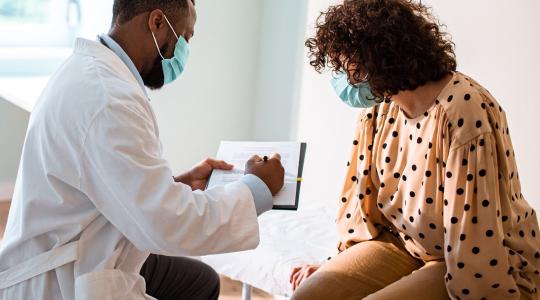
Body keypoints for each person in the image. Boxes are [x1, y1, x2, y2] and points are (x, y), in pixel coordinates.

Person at [0, 0, 285, 299]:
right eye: (185, 38)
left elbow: (107, 181)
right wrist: (256, 187)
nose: (184, 52)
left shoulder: (90, 71)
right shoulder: (108, 99)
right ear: (157, 23)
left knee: (200, 280)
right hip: (62, 277)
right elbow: (168, 225)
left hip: (85, 242)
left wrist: (176, 184)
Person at [290, 0, 540, 299]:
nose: (344, 78)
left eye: (347, 67)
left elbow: (473, 233)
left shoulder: (464, 111)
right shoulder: (379, 111)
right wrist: (337, 264)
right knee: (309, 295)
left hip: (468, 257)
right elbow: (362, 207)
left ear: (378, 58)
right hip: (402, 245)